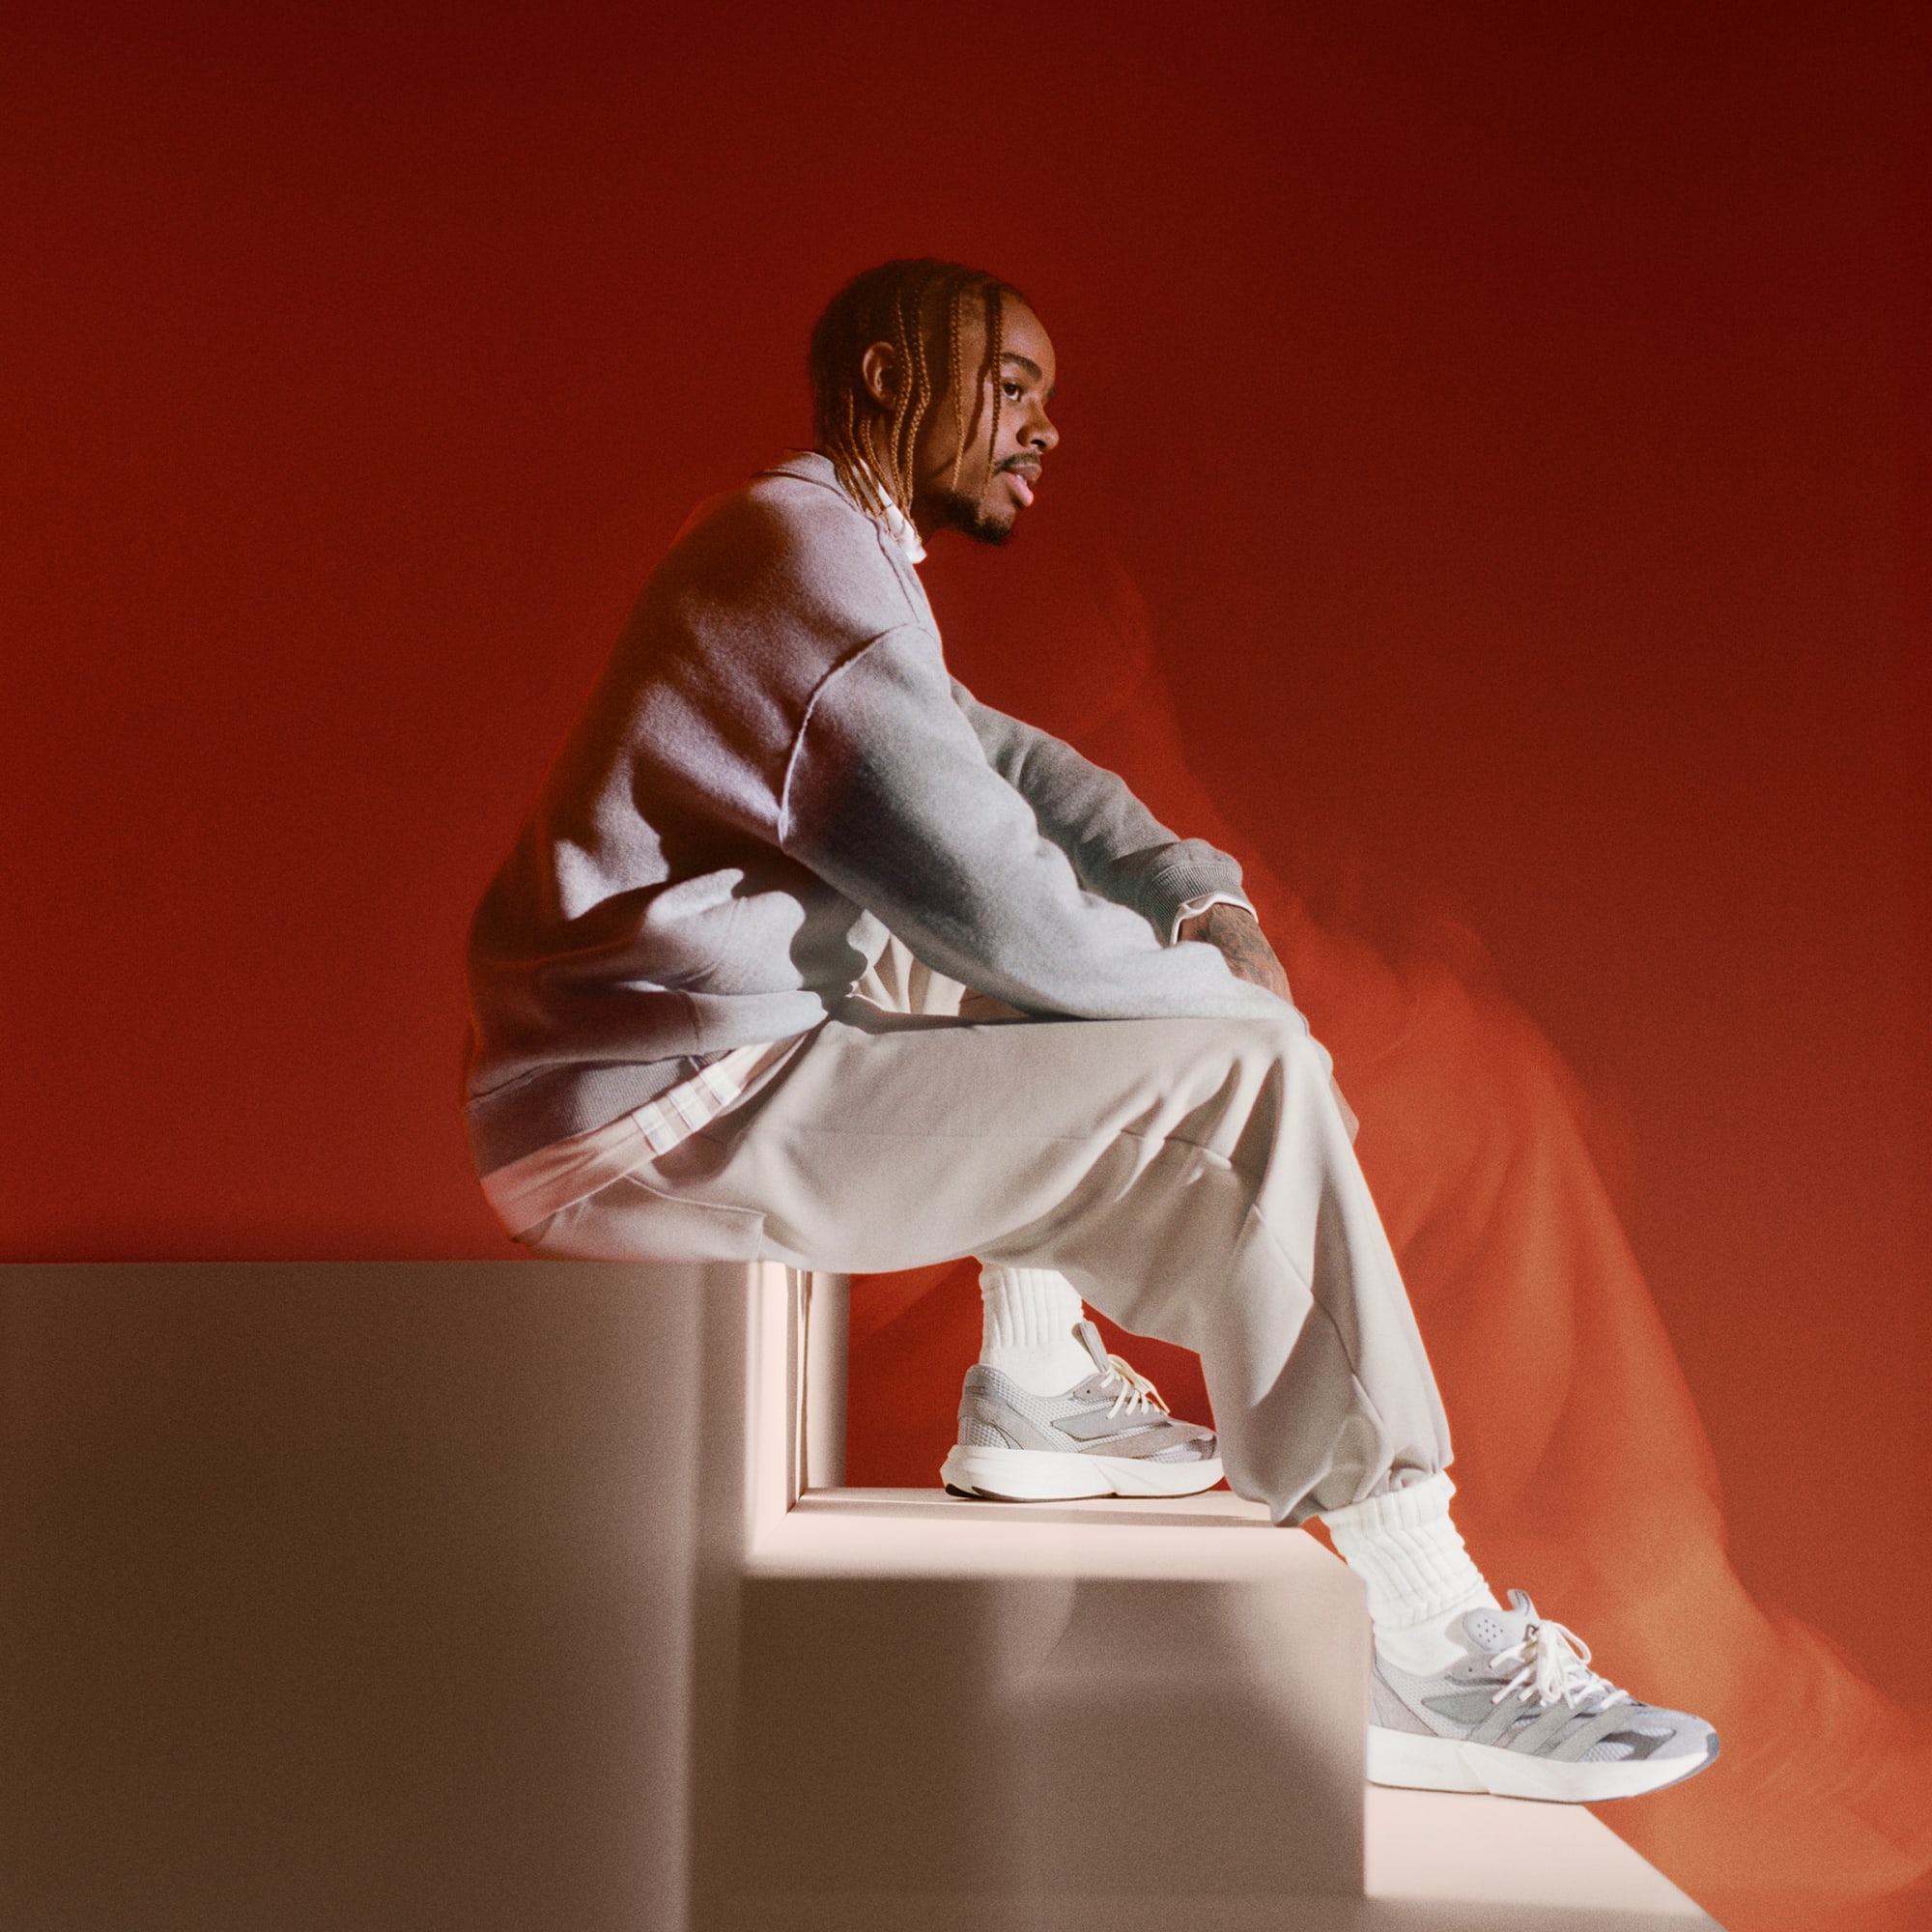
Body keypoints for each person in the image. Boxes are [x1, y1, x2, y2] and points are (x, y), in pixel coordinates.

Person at [463, 257, 1718, 1804]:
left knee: (1032, 968)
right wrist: (1256, 1025)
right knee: (1242, 1070)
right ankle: (1426, 1632)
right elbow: (1014, 915)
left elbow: (1016, 773)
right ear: (886, 378)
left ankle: (1037, 1381)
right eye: (1010, 387)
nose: (1044, 429)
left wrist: (1198, 895)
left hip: (657, 1076)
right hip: (659, 1115)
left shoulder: (818, 550)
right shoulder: (799, 566)